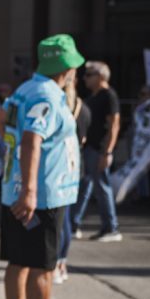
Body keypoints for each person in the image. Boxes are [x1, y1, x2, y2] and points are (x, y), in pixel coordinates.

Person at [0, 34, 83, 299]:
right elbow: (33, 138)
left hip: (14, 189)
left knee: (18, 262)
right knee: (42, 269)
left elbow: (0, 121)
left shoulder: (25, 89)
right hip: (42, 196)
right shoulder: (47, 94)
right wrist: (30, 191)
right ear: (66, 68)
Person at [71, 60, 122, 242]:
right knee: (84, 187)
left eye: (89, 75)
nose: (85, 78)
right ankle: (73, 224)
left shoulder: (109, 96)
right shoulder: (93, 97)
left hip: (98, 150)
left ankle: (111, 228)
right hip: (89, 149)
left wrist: (107, 152)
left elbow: (114, 125)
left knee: (102, 188)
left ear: (101, 76)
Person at [55, 73, 90, 284]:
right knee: (66, 216)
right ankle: (62, 262)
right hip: (75, 164)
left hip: (58, 165)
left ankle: (58, 263)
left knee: (61, 218)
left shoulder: (59, 108)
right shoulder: (83, 108)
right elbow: (84, 138)